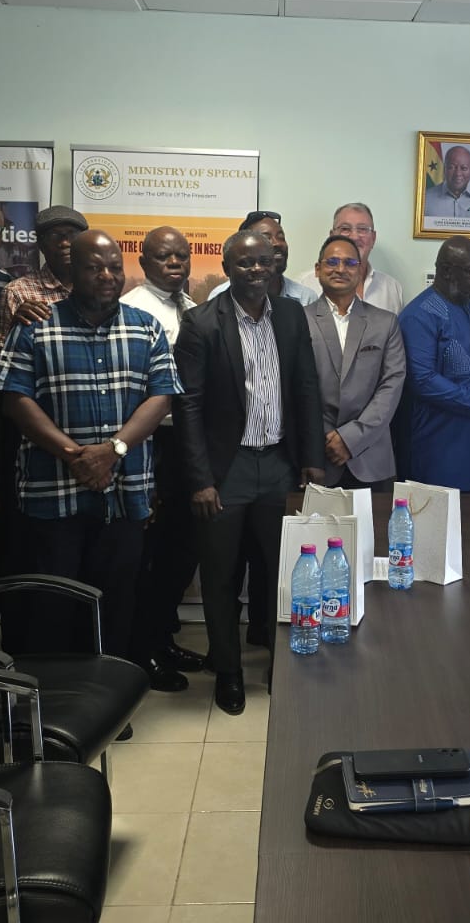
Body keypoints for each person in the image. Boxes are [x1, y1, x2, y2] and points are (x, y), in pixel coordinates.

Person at [0, 229, 178, 676]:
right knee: (52, 605)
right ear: (72, 271)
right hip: (53, 495)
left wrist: (112, 451)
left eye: (114, 267)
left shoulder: (145, 326)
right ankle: (56, 696)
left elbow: (161, 398)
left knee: (116, 602)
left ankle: (106, 692)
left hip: (124, 494)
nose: (107, 276)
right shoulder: (36, 325)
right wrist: (76, 456)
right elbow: (14, 400)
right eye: (94, 268)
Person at [174, 230, 323, 715]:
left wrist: (311, 458)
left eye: (264, 261)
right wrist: (200, 480)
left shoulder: (292, 315)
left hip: (279, 465)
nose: (256, 270)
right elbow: (188, 406)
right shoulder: (202, 322)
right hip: (226, 470)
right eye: (245, 263)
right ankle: (229, 673)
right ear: (227, 268)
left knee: (284, 575)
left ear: (276, 263)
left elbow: (306, 387)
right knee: (220, 576)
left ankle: (284, 667)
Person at [119, 225, 205, 690]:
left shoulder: (189, 307)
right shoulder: (134, 309)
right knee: (150, 555)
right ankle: (141, 651)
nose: (175, 263)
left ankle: (163, 638)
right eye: (164, 256)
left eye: (182, 256)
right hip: (152, 443)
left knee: (182, 549)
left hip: (186, 442)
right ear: (144, 262)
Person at [399, 238, 470, 493]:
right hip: (443, 444)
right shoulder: (419, 315)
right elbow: (422, 380)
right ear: (447, 271)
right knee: (442, 514)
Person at [305, 234, 406, 489]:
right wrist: (327, 438)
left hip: (371, 458)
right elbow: (295, 388)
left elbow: (391, 386)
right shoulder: (298, 320)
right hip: (316, 457)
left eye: (350, 263)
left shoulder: (385, 323)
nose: (341, 269)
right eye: (332, 262)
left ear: (360, 270)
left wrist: (350, 439)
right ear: (317, 269)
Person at [295, 202, 406, 313]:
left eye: (362, 229)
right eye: (345, 229)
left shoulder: (392, 289)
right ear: (332, 236)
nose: (354, 237)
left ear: (373, 238)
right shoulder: (303, 286)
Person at [0, 204, 84, 339]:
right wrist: (16, 329)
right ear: (41, 244)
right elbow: (4, 349)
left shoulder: (99, 286)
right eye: (54, 235)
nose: (65, 243)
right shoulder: (17, 292)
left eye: (72, 234)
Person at [210, 210, 319, 305]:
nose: (277, 243)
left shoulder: (305, 298)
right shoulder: (220, 297)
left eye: (281, 237)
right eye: (266, 238)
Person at [422, 144, 470, 219]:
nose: (458, 173)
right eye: (451, 167)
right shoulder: (425, 198)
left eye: (464, 168)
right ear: (444, 168)